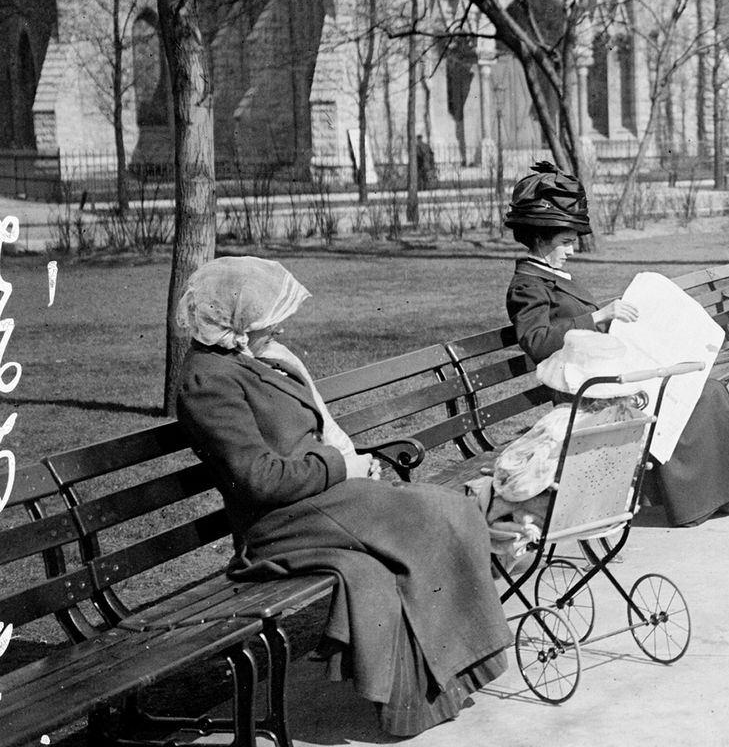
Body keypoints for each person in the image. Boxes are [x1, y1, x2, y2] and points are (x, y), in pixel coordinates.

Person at [176, 257, 510, 738]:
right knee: (435, 514)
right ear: (234, 320)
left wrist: (342, 465)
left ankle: (436, 689)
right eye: (270, 316)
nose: (283, 323)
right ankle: (454, 661)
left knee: (440, 513)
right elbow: (259, 479)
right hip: (280, 521)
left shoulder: (250, 358)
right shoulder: (207, 381)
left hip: (318, 498)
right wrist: (343, 467)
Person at [504, 162, 729, 525]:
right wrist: (597, 317)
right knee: (698, 394)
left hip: (603, 374)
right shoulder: (527, 284)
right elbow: (536, 341)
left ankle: (719, 493)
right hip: (585, 387)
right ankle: (696, 502)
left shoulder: (550, 276)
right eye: (565, 242)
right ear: (540, 240)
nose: (572, 250)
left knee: (706, 388)